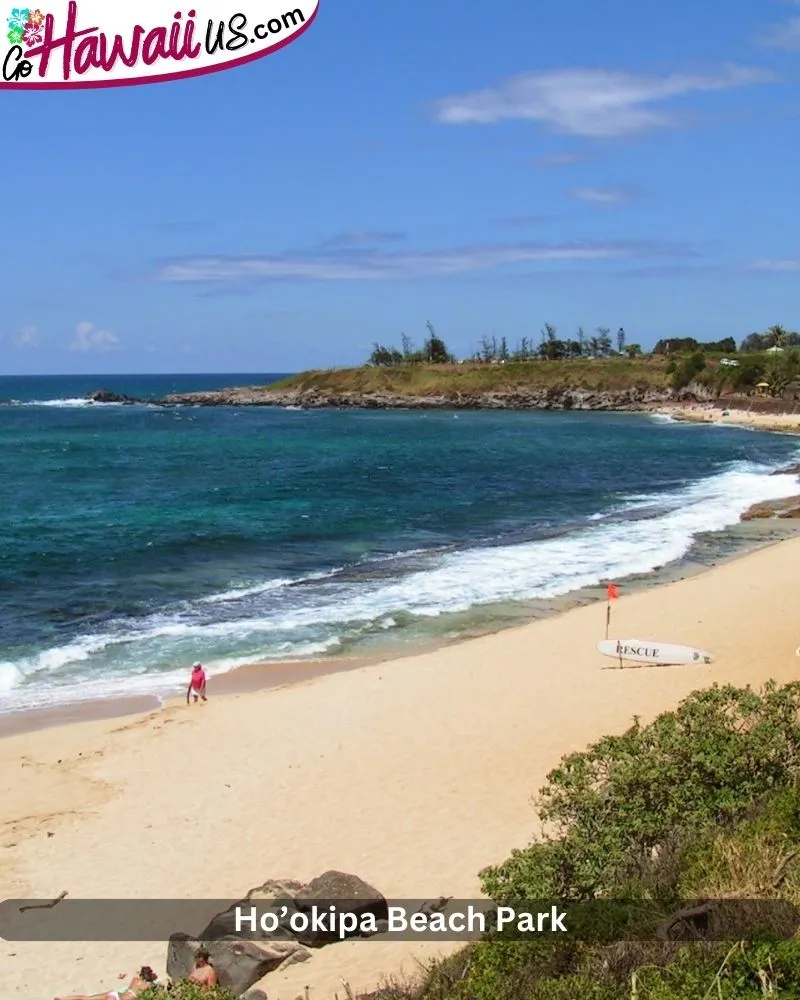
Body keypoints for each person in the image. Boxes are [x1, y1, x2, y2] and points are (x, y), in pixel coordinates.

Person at [55, 965, 159, 1000]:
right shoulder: (146, 987)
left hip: (114, 994)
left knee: (86, 998)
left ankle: (63, 999)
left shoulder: (135, 980)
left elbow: (127, 990)